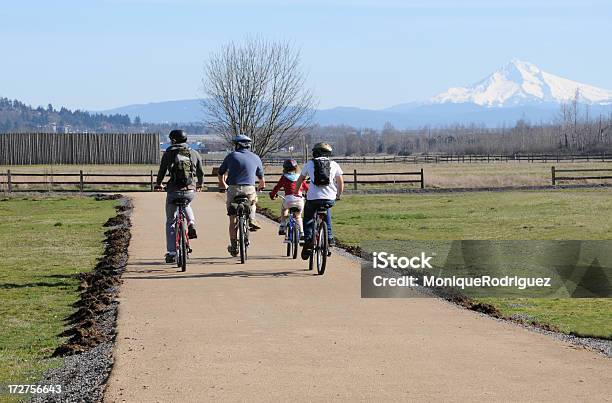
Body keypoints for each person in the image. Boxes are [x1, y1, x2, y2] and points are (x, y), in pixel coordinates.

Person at [154, 129, 204, 263]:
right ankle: (191, 223)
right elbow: (200, 172)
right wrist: (199, 184)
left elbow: (162, 171)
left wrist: (158, 184)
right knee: (186, 203)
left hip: (173, 191)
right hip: (190, 191)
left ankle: (171, 252)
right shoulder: (194, 153)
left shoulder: (169, 153)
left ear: (173, 140)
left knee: (171, 221)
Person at [217, 134, 265, 257]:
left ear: (237, 145)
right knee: (253, 201)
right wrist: (260, 186)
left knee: (232, 218)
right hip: (249, 189)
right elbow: (261, 179)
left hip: (233, 188)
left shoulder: (231, 156)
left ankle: (233, 246)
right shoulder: (256, 157)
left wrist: (222, 183)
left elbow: (221, 172)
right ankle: (252, 218)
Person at [296, 142, 344, 260]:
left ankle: (308, 240)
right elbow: (340, 182)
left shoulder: (309, 164)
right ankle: (330, 237)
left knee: (308, 217)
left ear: (315, 152)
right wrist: (338, 194)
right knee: (326, 211)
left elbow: (300, 180)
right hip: (329, 197)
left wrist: (296, 192)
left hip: (313, 197)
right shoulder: (334, 164)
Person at [269, 159, 309, 237]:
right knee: (298, 216)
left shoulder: (284, 177)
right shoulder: (300, 177)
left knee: (284, 208)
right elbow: (307, 188)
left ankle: (282, 225)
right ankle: (301, 232)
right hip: (299, 200)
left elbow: (277, 187)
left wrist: (272, 195)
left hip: (288, 200)